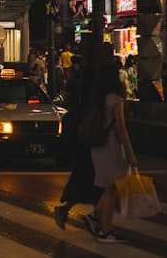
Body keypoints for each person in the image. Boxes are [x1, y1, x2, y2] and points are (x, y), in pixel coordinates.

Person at [88, 61, 138, 243]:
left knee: (110, 187)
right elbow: (121, 128)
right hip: (111, 147)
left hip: (97, 145)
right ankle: (104, 230)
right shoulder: (116, 99)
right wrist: (131, 154)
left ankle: (96, 217)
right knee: (112, 189)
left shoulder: (98, 97)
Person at [53, 55, 103, 232]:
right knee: (97, 182)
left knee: (92, 180)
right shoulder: (94, 96)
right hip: (91, 143)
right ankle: (94, 217)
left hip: (84, 142)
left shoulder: (80, 89)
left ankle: (92, 215)